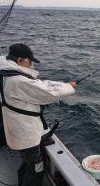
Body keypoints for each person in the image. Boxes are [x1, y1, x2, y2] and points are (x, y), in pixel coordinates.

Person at [0, 43, 76, 186]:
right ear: (20, 60)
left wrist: (62, 84)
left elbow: (38, 84)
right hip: (24, 135)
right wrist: (68, 87)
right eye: (29, 61)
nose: (31, 65)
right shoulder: (17, 81)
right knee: (35, 165)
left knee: (28, 161)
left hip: (16, 128)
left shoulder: (5, 73)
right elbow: (47, 93)